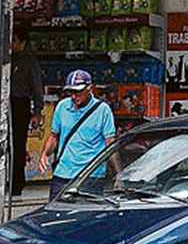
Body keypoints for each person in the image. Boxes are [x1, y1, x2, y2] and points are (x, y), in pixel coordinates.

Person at [40, 70, 116, 201]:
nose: (74, 96)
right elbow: (54, 136)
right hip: (63, 174)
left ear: (90, 89)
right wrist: (45, 154)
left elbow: (110, 144)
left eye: (78, 92)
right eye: (71, 92)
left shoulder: (103, 110)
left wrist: (118, 173)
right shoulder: (62, 107)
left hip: (91, 176)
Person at [10, 27, 43, 196]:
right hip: (7, 104)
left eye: (14, 40)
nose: (11, 44)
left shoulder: (29, 61)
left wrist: (37, 111)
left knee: (18, 145)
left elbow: (37, 87)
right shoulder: (7, 59)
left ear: (22, 42)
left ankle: (17, 182)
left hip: (20, 104)